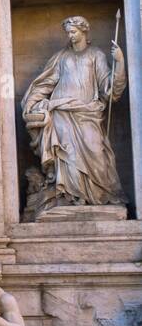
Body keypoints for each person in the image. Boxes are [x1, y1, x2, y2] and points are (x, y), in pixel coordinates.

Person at [22, 16, 126, 208]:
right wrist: (32, 100)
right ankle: (69, 197)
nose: (70, 36)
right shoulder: (61, 57)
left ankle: (95, 195)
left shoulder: (96, 55)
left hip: (87, 113)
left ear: (84, 31)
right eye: (68, 32)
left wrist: (119, 62)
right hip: (61, 112)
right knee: (67, 155)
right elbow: (46, 83)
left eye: (73, 32)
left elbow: (109, 89)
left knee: (96, 152)